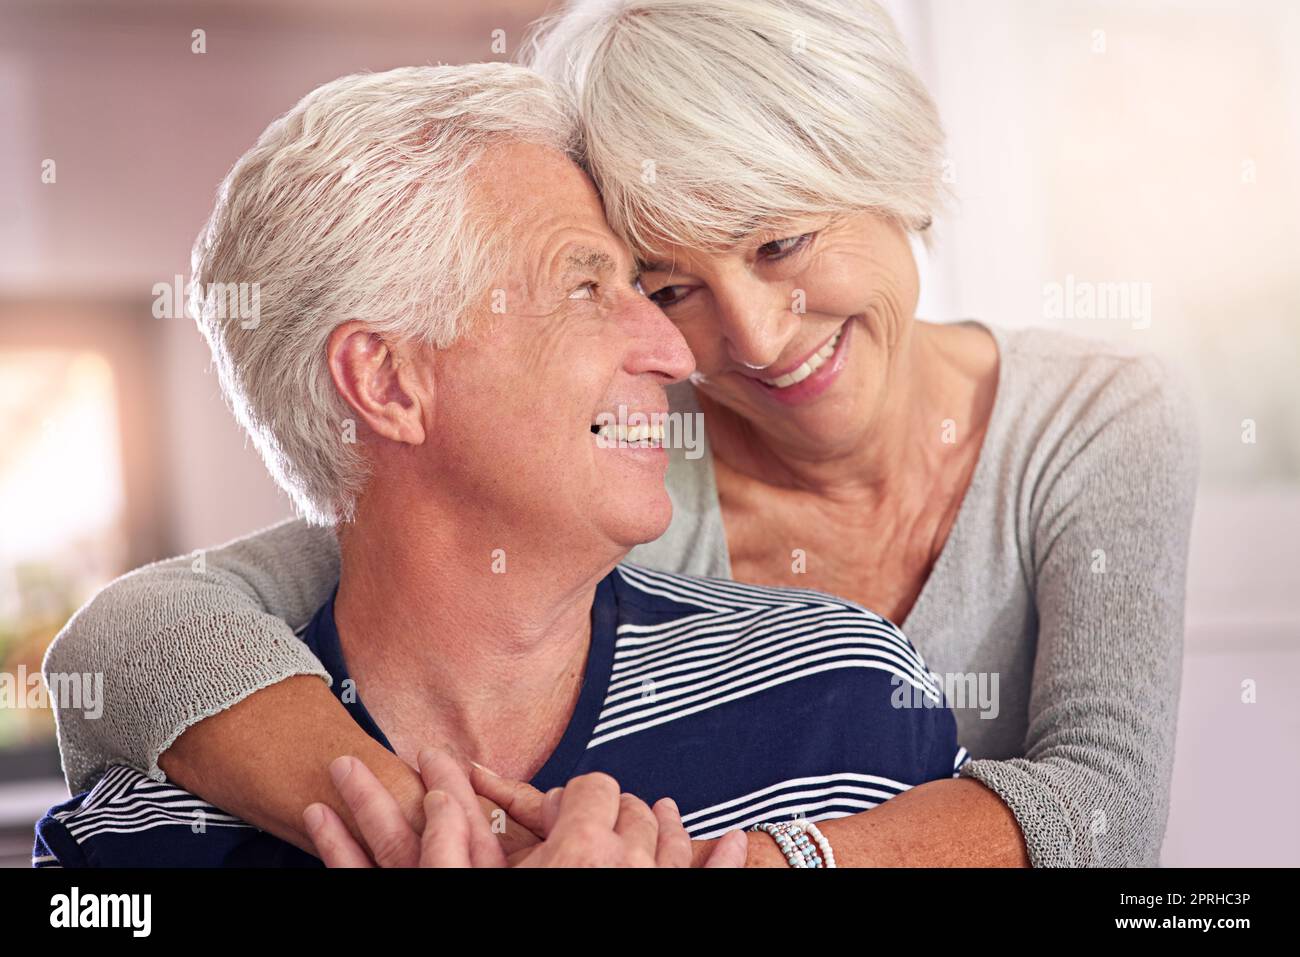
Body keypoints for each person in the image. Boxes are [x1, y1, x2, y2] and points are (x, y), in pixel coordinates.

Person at [44, 0, 1198, 867]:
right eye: (659, 284)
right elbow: (141, 627)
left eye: (781, 243)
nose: (736, 338)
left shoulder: (1095, 419)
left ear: (882, 172)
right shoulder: (624, 440)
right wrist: (425, 828)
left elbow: (1105, 803)